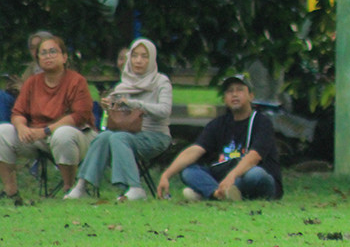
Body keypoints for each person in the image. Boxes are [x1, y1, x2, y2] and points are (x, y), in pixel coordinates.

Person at [64, 38, 173, 201]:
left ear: (152, 59)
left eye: (144, 56)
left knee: (118, 138)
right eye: (134, 56)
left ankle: (135, 187)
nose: (138, 60)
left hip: (154, 136)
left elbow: (164, 111)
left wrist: (135, 104)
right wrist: (110, 106)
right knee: (104, 137)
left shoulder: (161, 82)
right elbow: (120, 117)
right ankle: (81, 186)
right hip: (127, 133)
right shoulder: (123, 85)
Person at [156, 73, 282, 201]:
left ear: (251, 96)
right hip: (226, 178)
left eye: (240, 90)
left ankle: (209, 192)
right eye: (230, 91)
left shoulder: (261, 122)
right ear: (224, 99)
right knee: (189, 172)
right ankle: (218, 194)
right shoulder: (218, 124)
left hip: (249, 176)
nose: (234, 94)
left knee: (256, 174)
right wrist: (166, 175)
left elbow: (254, 156)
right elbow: (195, 150)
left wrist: (231, 176)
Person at [0, 35, 96, 200]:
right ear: (38, 59)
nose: (48, 56)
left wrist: (45, 131)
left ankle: (70, 189)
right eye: (43, 53)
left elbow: (80, 115)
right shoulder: (32, 82)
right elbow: (18, 112)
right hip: (38, 136)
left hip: (78, 135)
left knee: (63, 134)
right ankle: (11, 191)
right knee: (3, 131)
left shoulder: (76, 81)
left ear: (64, 57)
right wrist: (22, 128)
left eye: (53, 52)